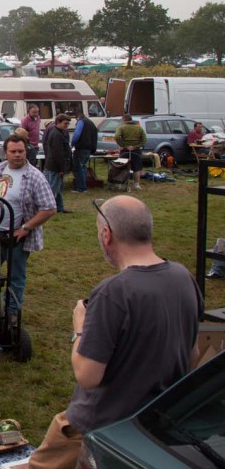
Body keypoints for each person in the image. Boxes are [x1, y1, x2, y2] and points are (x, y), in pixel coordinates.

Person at [27, 196, 202, 469]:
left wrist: (79, 328)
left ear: (106, 235)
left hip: (98, 427)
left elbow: (88, 376)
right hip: (154, 424)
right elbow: (193, 355)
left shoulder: (113, 293)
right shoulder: (183, 277)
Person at [0, 133, 57, 322]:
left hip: (17, 237)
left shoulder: (35, 176)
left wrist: (26, 228)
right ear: (6, 153)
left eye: (21, 151)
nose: (18, 155)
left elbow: (50, 208)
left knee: (15, 277)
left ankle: (11, 315)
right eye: (13, 151)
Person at [43, 114, 72, 213]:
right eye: (65, 123)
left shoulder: (57, 132)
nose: (66, 125)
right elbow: (58, 153)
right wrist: (61, 168)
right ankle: (47, 209)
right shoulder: (57, 134)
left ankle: (59, 207)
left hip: (51, 164)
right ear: (58, 122)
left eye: (68, 123)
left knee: (58, 188)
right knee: (52, 189)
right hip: (55, 166)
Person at [113, 114, 146, 191]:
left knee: (122, 167)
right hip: (136, 150)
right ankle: (137, 185)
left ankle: (121, 184)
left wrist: (123, 145)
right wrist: (136, 146)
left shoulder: (121, 127)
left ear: (124, 120)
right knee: (137, 168)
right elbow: (144, 140)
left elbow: (117, 136)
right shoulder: (139, 128)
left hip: (125, 150)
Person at [70, 114, 98, 194]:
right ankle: (83, 186)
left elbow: (77, 134)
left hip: (81, 148)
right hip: (89, 149)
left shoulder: (81, 121)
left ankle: (80, 188)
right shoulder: (91, 123)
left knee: (78, 168)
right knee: (83, 167)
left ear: (78, 117)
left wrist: (73, 144)